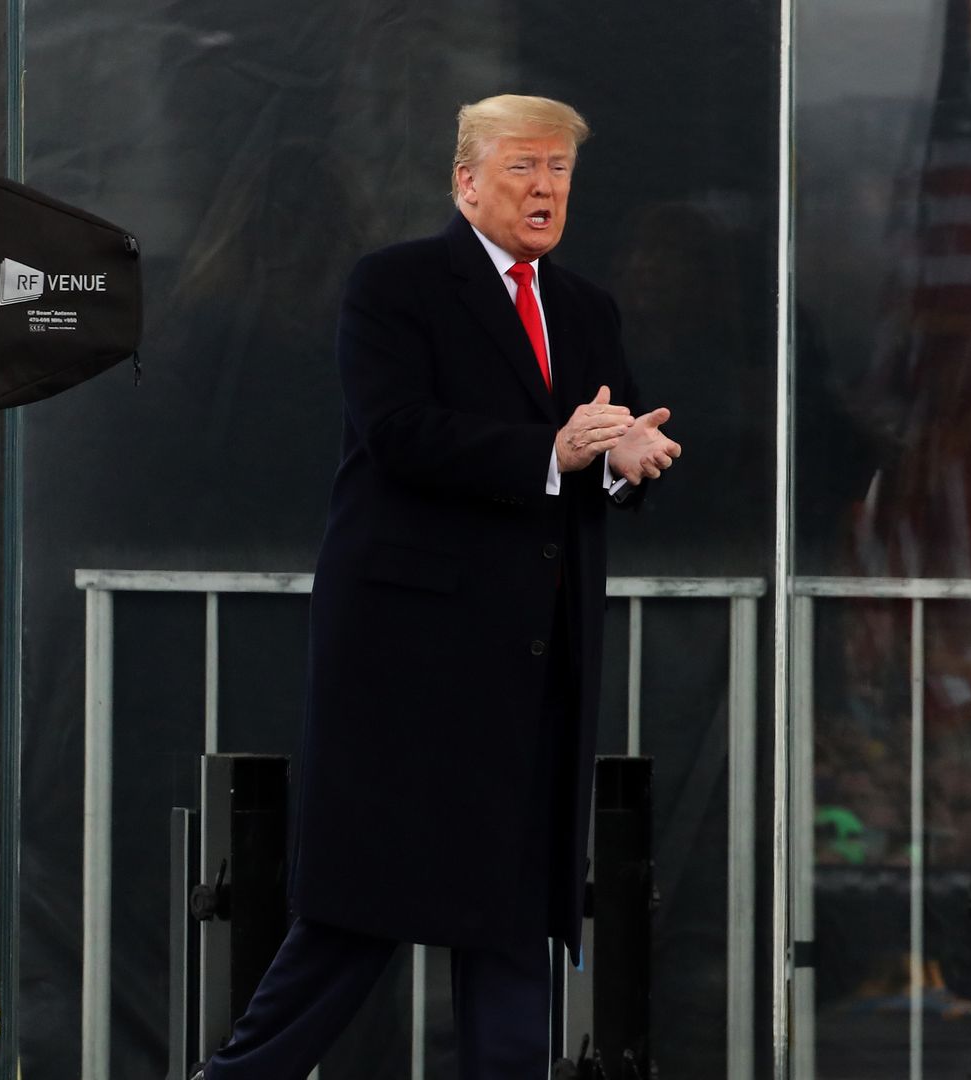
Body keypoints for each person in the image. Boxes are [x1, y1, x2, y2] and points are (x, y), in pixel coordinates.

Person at [199, 93, 681, 1080]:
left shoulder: (586, 308)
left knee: (510, 920)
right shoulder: (397, 287)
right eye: (522, 168)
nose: (545, 188)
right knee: (358, 914)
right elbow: (400, 433)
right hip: (412, 663)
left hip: (535, 662)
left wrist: (627, 457)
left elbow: (599, 443)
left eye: (559, 171)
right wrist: (553, 453)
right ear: (465, 182)